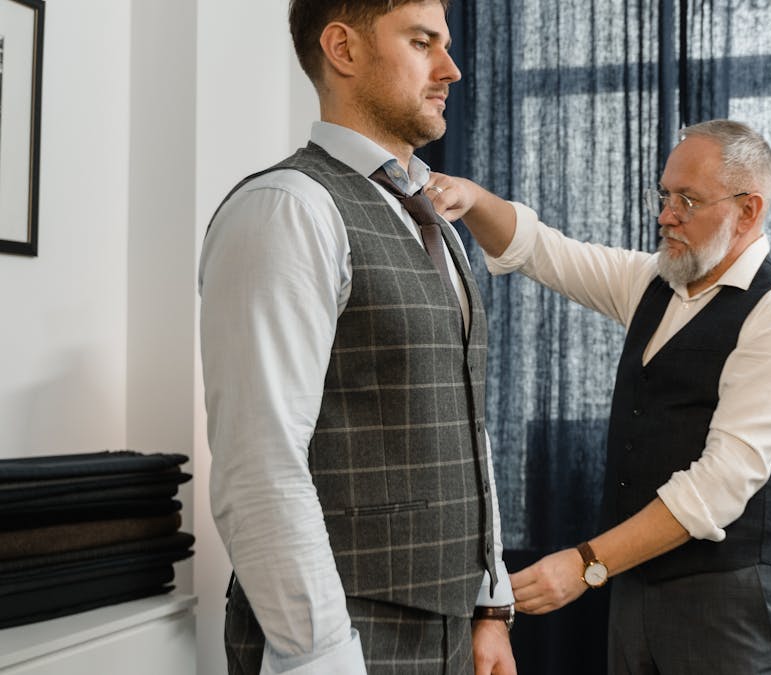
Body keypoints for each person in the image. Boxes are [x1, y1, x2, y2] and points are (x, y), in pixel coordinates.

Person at [428, 119, 771, 674]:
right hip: (633, 592)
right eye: (665, 195)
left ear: (748, 211)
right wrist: (474, 198)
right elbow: (544, 251)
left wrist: (586, 565)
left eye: (688, 200)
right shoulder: (653, 283)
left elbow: (717, 487)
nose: (666, 215)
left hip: (724, 607)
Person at [198, 1, 516, 673]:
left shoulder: (433, 218)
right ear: (343, 48)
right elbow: (259, 463)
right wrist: (321, 657)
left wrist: (489, 605)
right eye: (423, 43)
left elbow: (463, 419)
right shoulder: (289, 208)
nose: (451, 69)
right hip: (341, 636)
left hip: (453, 635)